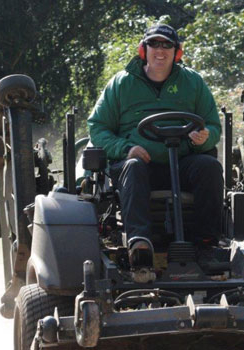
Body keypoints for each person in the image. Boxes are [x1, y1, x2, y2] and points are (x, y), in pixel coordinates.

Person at [87, 24, 223, 268]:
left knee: (209, 166)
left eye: (167, 45)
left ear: (177, 52)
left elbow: (213, 126)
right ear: (143, 50)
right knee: (133, 166)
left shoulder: (193, 82)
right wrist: (125, 148)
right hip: (138, 166)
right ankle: (139, 243)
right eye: (154, 44)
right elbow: (97, 127)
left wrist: (206, 136)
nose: (160, 50)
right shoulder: (121, 84)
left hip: (181, 163)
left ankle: (206, 244)